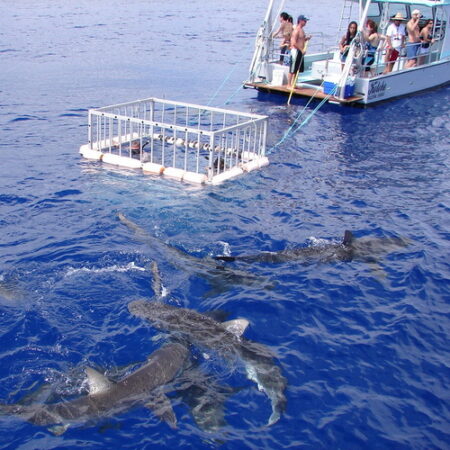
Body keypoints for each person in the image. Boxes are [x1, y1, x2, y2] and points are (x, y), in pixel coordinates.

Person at [288, 15, 311, 88]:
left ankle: (294, 84)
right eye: (304, 21)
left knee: (297, 69)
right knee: (292, 69)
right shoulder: (296, 30)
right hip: (296, 51)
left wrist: (307, 38)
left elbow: (301, 40)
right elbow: (294, 43)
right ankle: (289, 85)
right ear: (300, 21)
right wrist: (301, 50)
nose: (306, 22)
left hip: (300, 52)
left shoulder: (302, 30)